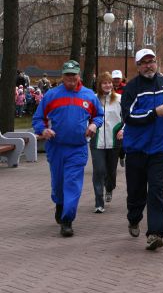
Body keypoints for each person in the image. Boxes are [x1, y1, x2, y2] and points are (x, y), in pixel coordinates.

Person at [121, 48, 163, 251]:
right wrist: (153, 113)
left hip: (160, 148)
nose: (149, 65)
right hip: (136, 149)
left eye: (152, 61)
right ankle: (134, 217)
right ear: (138, 66)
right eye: (144, 62)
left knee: (157, 191)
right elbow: (128, 117)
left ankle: (155, 233)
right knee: (136, 192)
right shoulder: (132, 88)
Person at [32, 60, 104, 237]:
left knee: (72, 184)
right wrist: (43, 130)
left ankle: (67, 221)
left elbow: (99, 115)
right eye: (67, 75)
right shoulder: (51, 95)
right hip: (56, 147)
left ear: (78, 75)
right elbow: (37, 119)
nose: (71, 78)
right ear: (62, 76)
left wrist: (94, 125)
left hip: (77, 148)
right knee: (58, 183)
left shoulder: (89, 95)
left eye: (74, 75)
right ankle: (60, 205)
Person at [90, 72, 123, 213]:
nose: (108, 85)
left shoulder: (119, 99)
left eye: (109, 82)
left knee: (111, 172)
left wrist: (124, 131)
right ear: (99, 85)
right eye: (104, 83)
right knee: (99, 170)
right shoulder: (93, 99)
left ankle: (109, 188)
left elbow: (127, 117)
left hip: (114, 141)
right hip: (97, 141)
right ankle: (99, 201)